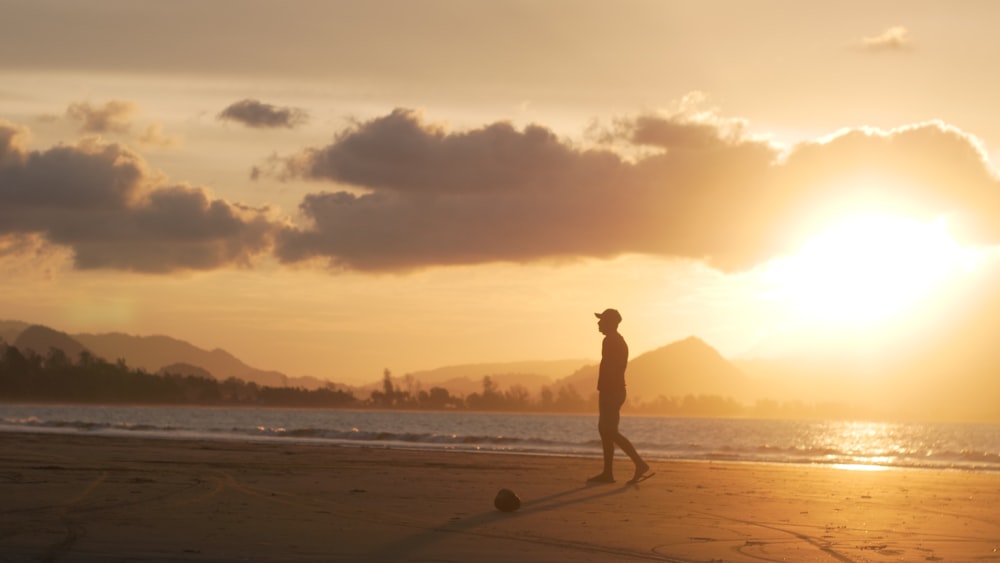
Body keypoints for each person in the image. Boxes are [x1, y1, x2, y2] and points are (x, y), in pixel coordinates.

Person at [588, 308, 650, 484]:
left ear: (611, 323)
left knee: (609, 431)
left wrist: (608, 392)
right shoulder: (613, 340)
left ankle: (639, 464)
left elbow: (613, 369)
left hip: (612, 391)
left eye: (602, 321)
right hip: (611, 390)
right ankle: (608, 473)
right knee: (605, 431)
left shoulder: (612, 341)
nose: (598, 323)